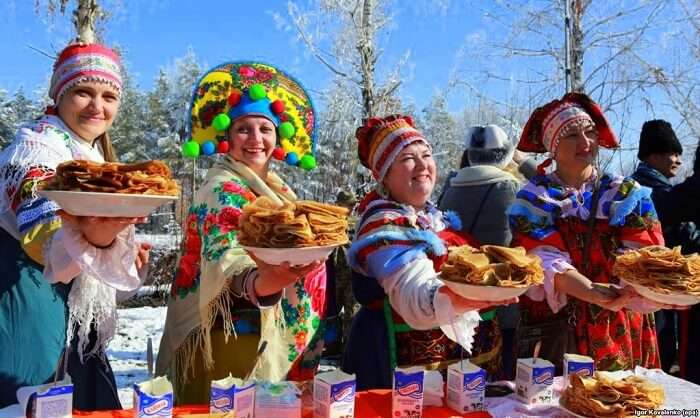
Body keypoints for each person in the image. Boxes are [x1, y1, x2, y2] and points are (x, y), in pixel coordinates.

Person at [156, 62, 327, 404]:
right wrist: (262, 283)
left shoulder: (277, 191)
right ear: (227, 137)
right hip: (233, 341)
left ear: (277, 138)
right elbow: (226, 256)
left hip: (269, 336)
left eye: (265, 128)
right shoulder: (222, 189)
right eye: (244, 129)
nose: (256, 139)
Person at [0, 43, 149, 410]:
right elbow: (44, 242)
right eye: (84, 92)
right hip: (29, 311)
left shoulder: (92, 159)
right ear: (59, 94)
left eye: (109, 96)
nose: (98, 106)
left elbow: (92, 273)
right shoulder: (35, 151)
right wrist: (97, 239)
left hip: (78, 332)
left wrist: (124, 262)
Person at [342, 114, 516, 389]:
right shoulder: (384, 224)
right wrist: (463, 297)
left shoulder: (434, 217)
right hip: (400, 364)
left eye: (427, 154)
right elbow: (413, 292)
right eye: (407, 158)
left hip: (456, 365)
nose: (423, 165)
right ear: (384, 174)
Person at [507, 92, 672, 372]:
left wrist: (631, 290)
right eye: (571, 135)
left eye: (590, 132)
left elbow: (647, 256)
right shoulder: (534, 200)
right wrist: (591, 291)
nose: (585, 143)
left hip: (619, 320)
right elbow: (541, 262)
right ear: (553, 146)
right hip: (558, 326)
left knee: (621, 405)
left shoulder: (625, 193)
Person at [438, 124, 535, 379]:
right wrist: (524, 162)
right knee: (497, 385)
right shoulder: (509, 188)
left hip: (456, 297)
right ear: (505, 155)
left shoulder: (451, 186)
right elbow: (550, 191)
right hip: (499, 303)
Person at [631, 119, 700, 373]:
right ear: (654, 155)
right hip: (648, 293)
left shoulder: (657, 188)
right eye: (673, 153)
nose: (679, 160)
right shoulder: (644, 191)